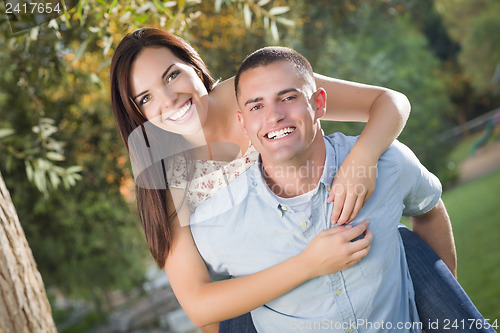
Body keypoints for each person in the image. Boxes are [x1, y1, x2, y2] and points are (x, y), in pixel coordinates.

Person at [110, 28, 493, 332]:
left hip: (346, 238)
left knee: (401, 244)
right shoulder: (166, 175)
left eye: (172, 74)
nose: (168, 100)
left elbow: (389, 102)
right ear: (137, 113)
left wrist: (362, 160)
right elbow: (200, 305)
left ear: (195, 67)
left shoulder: (253, 91)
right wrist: (310, 264)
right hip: (262, 293)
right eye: (145, 98)